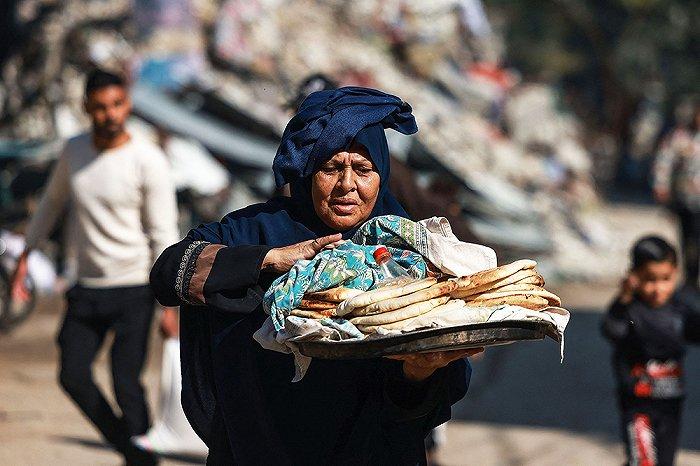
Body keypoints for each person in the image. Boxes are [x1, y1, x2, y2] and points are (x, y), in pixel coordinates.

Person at [149, 87, 480, 465]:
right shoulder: (254, 231)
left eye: (363, 168)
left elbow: (426, 400)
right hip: (259, 449)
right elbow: (168, 274)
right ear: (307, 171)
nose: (347, 185)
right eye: (331, 168)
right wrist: (271, 260)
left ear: (382, 174)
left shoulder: (411, 249)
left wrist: (418, 373)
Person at [10, 69, 179, 465]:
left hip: (134, 287)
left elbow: (163, 233)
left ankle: (141, 456)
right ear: (87, 108)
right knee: (72, 375)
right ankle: (132, 449)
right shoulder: (74, 151)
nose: (110, 114)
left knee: (126, 383)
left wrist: (172, 304)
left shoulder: (147, 159)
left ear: (128, 105)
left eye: (117, 105)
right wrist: (24, 255)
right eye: (100, 107)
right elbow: (51, 204)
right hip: (86, 287)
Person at [601, 236, 700, 466]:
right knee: (643, 461)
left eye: (665, 279)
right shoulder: (630, 311)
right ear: (634, 276)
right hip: (637, 407)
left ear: (675, 273)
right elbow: (611, 330)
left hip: (670, 406)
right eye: (649, 280)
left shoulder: (681, 311)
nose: (658, 288)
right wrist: (623, 299)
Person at [653, 105, 700, 288]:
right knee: (689, 240)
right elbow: (664, 161)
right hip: (687, 200)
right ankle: (691, 279)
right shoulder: (679, 137)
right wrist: (661, 186)